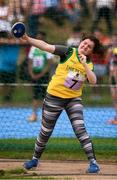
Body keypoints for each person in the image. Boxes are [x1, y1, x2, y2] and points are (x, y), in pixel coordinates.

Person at [20, 32, 101, 173]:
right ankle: (34, 159)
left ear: (92, 51)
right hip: (54, 97)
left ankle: (93, 163)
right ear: (80, 42)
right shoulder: (68, 51)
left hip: (73, 99)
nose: (86, 46)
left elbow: (93, 81)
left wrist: (85, 65)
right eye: (85, 43)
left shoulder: (88, 63)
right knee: (46, 131)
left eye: (89, 47)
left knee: (80, 130)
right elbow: (45, 46)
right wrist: (27, 39)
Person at [28, 31, 54, 122]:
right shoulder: (33, 48)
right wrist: (31, 73)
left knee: (45, 96)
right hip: (34, 75)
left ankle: (46, 116)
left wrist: (41, 74)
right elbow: (30, 62)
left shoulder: (47, 48)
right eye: (37, 37)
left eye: (40, 38)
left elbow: (50, 63)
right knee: (35, 95)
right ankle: (34, 115)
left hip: (43, 76)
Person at [106, 33, 117, 124]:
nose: (114, 41)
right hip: (112, 77)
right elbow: (107, 62)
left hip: (115, 77)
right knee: (114, 98)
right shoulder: (111, 50)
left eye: (115, 40)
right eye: (113, 40)